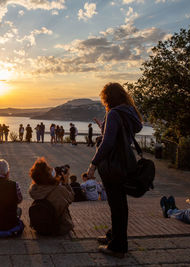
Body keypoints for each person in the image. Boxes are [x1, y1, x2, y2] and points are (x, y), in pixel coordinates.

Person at [86, 82, 143, 258]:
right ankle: (114, 235)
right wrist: (105, 125)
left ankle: (118, 246)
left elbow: (108, 143)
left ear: (107, 98)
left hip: (113, 165)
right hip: (126, 162)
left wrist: (93, 164)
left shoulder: (114, 113)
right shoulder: (129, 112)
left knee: (117, 205)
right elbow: (129, 130)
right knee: (119, 203)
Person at [28, 158, 74, 235]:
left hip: (39, 227)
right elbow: (71, 198)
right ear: (48, 174)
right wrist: (66, 183)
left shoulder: (35, 189)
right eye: (49, 169)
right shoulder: (58, 189)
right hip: (58, 227)